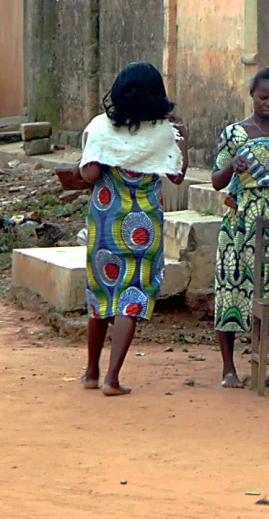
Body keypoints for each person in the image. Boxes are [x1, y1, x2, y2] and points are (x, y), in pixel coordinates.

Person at [79, 62, 188, 396]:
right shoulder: (165, 130)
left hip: (106, 221)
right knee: (132, 296)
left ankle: (91, 372)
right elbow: (177, 175)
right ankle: (113, 378)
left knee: (102, 293)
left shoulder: (100, 127)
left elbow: (90, 175)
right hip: (144, 224)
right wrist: (182, 137)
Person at [212, 66, 269, 389]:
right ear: (252, 95)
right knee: (232, 289)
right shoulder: (234, 134)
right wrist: (232, 167)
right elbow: (215, 181)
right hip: (241, 222)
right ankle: (229, 369)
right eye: (263, 97)